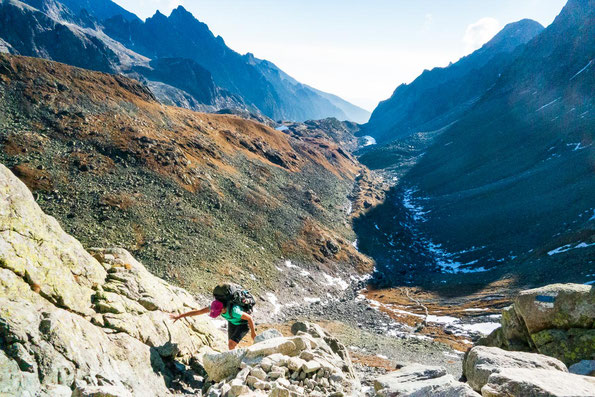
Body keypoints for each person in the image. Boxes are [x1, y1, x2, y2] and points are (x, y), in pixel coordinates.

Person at [170, 299, 256, 350]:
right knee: (230, 346)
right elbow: (198, 312)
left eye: (218, 313)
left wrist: (253, 333)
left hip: (243, 324)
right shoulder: (214, 306)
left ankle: (237, 364)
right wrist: (179, 316)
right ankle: (235, 360)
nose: (217, 314)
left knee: (231, 344)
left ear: (222, 309)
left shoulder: (234, 311)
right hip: (232, 322)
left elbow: (249, 318)